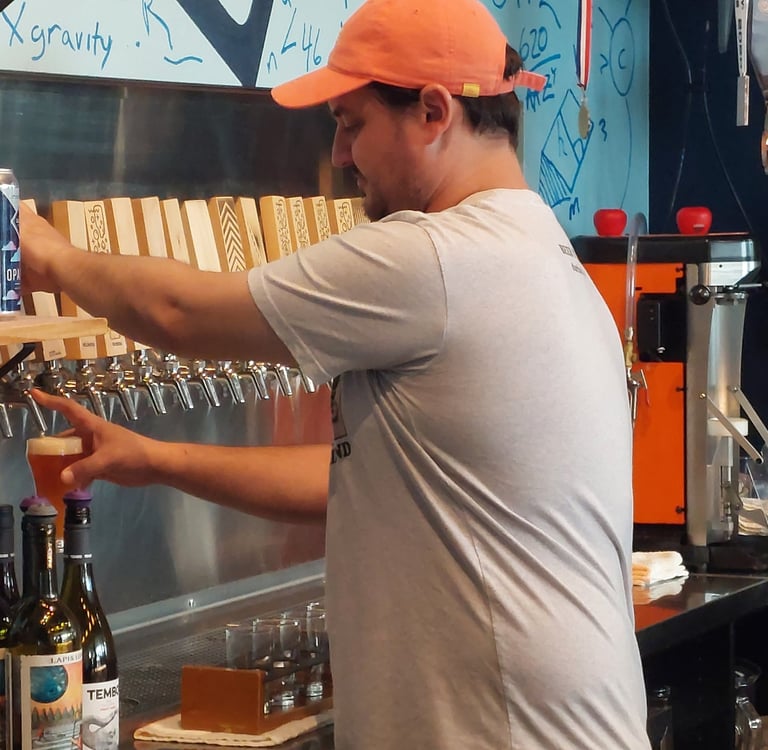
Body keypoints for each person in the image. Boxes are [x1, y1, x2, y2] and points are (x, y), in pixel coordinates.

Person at [20, 0, 652, 747]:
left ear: (432, 111)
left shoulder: (436, 258)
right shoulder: (541, 253)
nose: (342, 156)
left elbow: (179, 314)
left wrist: (43, 250)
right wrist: (155, 459)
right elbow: (356, 479)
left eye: (351, 123)